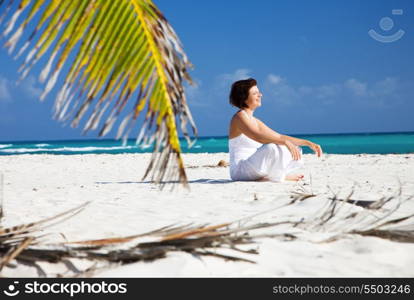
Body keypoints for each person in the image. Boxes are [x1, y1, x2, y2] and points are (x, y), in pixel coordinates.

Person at [228, 78, 322, 182]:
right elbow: (258, 137)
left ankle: (270, 176)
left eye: (259, 92)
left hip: (254, 166)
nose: (260, 95)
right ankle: (277, 176)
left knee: (295, 148)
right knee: (272, 148)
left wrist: (307, 143)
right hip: (240, 171)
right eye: (255, 93)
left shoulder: (255, 120)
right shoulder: (240, 117)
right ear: (244, 97)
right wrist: (285, 142)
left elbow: (279, 137)